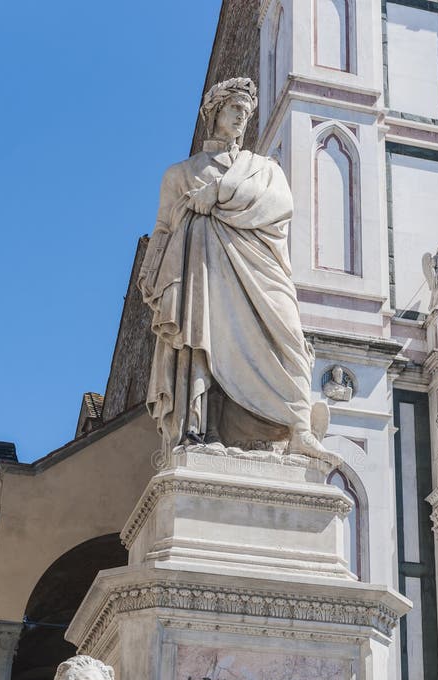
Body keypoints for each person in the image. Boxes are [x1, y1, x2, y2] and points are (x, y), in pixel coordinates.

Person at [139, 77, 327, 459]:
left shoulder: (263, 169)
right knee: (203, 340)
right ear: (215, 113)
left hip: (260, 268)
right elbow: (163, 228)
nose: (241, 117)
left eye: (246, 111)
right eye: (234, 109)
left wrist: (218, 194)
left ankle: (297, 426)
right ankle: (200, 429)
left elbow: (280, 206)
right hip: (201, 275)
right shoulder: (181, 173)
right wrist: (152, 274)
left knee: (290, 334)